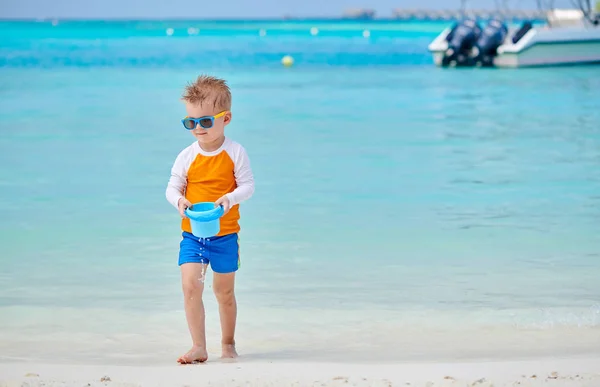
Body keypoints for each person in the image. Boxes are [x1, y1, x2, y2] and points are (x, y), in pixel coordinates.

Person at [165, 74, 255, 364]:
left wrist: (229, 199)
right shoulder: (186, 156)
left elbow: (248, 186)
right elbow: (172, 187)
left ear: (225, 118)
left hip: (225, 234)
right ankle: (198, 346)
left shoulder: (235, 152)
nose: (197, 129)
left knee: (223, 291)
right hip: (192, 233)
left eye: (205, 121)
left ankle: (228, 343)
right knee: (190, 285)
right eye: (190, 122)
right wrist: (179, 200)